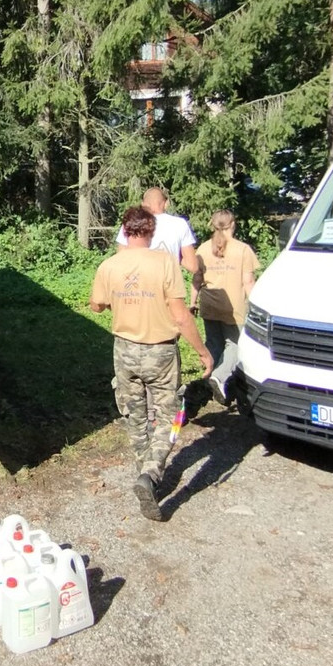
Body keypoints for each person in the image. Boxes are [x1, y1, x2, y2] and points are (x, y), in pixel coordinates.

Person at [91, 206, 213, 522]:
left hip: (125, 351)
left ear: (125, 231)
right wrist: (202, 350)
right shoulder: (165, 263)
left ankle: (144, 471)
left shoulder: (109, 265)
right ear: (151, 231)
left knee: (134, 414)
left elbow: (96, 305)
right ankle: (151, 474)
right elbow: (181, 315)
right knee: (172, 416)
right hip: (160, 352)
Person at [191, 210, 259, 404]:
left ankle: (206, 385)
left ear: (212, 225)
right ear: (233, 224)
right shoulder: (242, 249)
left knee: (213, 343)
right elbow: (248, 282)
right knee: (235, 344)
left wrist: (192, 302)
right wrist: (255, 307)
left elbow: (196, 279)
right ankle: (219, 377)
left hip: (209, 302)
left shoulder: (203, 249)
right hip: (233, 305)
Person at [116, 187, 199, 274]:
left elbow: (120, 257)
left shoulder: (133, 223)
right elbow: (192, 266)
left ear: (143, 205)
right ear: (166, 204)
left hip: (140, 281)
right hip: (169, 282)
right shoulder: (180, 224)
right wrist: (175, 256)